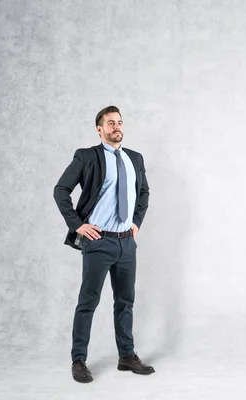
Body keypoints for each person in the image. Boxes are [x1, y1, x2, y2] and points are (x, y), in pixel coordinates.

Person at [53, 105, 154, 383]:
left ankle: (127, 355)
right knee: (88, 302)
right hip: (98, 243)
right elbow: (61, 190)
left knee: (125, 302)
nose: (116, 127)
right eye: (110, 123)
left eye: (119, 122)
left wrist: (136, 223)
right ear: (99, 129)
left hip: (126, 244)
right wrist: (78, 225)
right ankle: (78, 360)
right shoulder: (87, 157)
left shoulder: (135, 158)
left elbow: (143, 192)